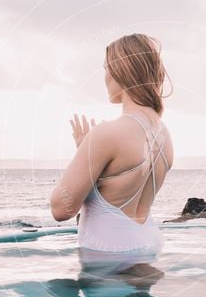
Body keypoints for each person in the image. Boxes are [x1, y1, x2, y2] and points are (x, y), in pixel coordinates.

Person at [49, 34, 174, 258]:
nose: (105, 76)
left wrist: (87, 149)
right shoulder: (165, 136)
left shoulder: (106, 134)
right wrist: (87, 152)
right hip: (148, 245)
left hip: (109, 259)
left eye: (107, 68)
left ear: (121, 70)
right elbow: (120, 187)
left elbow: (61, 209)